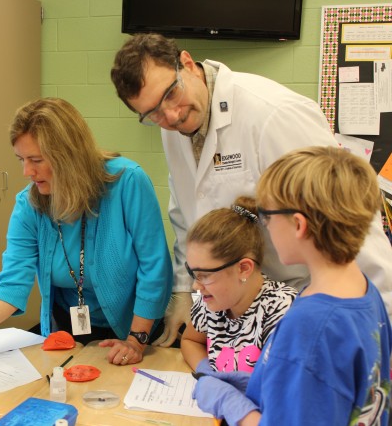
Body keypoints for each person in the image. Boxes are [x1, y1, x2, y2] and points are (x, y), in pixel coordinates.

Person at [110, 33, 392, 347]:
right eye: (153, 115)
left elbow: (350, 221)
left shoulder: (271, 114)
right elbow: (185, 218)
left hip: (306, 304)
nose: (171, 115)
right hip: (239, 313)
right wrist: (184, 291)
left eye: (171, 94)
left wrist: (382, 326)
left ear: (187, 64)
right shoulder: (174, 128)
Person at [0, 97, 172, 366]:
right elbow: (10, 286)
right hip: (70, 335)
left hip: (139, 328)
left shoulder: (128, 182)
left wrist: (136, 340)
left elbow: (155, 267)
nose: (26, 171)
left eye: (36, 160)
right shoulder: (29, 205)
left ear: (69, 154)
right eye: (21, 159)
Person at [193, 146, 392, 425]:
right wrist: (261, 383)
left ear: (299, 225)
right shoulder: (363, 290)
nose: (266, 227)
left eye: (268, 217)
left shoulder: (310, 325)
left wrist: (231, 405)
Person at [181, 196, 297, 373]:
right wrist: (207, 373)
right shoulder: (212, 302)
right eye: (193, 274)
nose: (196, 286)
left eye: (204, 275)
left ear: (243, 268)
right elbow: (190, 340)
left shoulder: (282, 312)